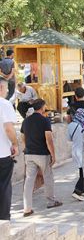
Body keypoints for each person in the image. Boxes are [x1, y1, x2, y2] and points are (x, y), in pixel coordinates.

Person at [21, 99, 62, 217]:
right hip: (42, 154)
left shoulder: (26, 121)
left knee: (29, 181)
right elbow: (49, 140)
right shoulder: (45, 121)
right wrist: (53, 155)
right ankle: (51, 201)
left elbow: (23, 137)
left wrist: (27, 147)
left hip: (29, 154)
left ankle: (27, 208)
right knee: (48, 176)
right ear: (42, 107)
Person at [0, 76, 18, 220]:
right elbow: (8, 128)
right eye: (6, 88)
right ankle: (3, 218)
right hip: (2, 152)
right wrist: (15, 144)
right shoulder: (4, 104)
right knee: (4, 186)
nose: (7, 91)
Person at [67, 108, 84, 201]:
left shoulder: (71, 125)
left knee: (82, 171)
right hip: (83, 151)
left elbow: (69, 139)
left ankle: (83, 190)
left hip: (75, 150)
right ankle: (77, 191)